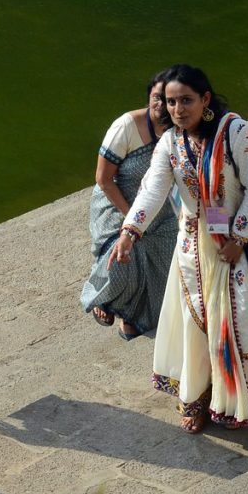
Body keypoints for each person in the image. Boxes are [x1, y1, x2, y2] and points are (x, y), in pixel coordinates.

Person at [108, 64, 248, 433]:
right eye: (171, 102)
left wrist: (237, 239)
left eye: (186, 100)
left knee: (237, 322)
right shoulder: (171, 143)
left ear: (205, 99)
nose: (178, 109)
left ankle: (235, 403)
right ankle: (197, 400)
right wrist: (130, 232)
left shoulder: (236, 132)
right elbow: (152, 191)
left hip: (240, 244)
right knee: (198, 323)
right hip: (194, 247)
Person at [81, 71, 177, 340]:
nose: (162, 105)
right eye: (157, 97)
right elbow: (103, 179)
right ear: (149, 97)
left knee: (170, 261)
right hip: (117, 204)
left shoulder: (179, 127)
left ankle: (136, 316)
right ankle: (106, 302)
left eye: (169, 99)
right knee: (125, 259)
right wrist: (131, 220)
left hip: (160, 207)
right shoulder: (126, 126)